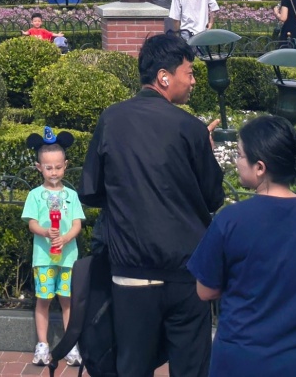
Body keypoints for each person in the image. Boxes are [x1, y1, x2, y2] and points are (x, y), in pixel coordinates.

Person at [80, 33, 224, 377]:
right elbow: (213, 198)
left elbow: (90, 191)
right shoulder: (190, 128)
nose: (191, 82)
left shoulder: (111, 119)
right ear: (164, 76)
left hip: (132, 272)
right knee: (191, 368)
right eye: (188, 73)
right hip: (187, 274)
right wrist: (206, 149)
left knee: (132, 367)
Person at [189, 115, 296, 377]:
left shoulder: (231, 220)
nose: (236, 161)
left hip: (243, 359)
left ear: (260, 167)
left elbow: (205, 290)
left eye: (241, 155)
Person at [23, 129, 84, 367]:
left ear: (65, 165)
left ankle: (70, 345)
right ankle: (42, 344)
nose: (54, 172)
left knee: (67, 300)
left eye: (58, 167)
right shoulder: (35, 195)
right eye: (48, 168)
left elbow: (77, 223)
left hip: (68, 258)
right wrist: (46, 232)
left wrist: (67, 237)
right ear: (39, 167)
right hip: (44, 258)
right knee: (43, 299)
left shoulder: (71, 195)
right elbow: (32, 223)